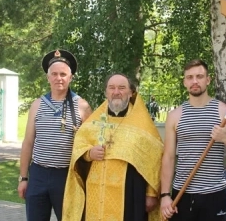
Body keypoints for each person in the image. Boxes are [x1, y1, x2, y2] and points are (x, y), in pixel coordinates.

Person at [62, 73, 163, 221]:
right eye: (112, 88)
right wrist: (89, 153)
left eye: (122, 88)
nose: (116, 92)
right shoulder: (94, 121)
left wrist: (151, 193)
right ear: (106, 92)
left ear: (131, 92)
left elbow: (154, 158)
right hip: (95, 191)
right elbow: (79, 147)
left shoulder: (142, 124)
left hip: (129, 194)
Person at [160, 59, 226, 221]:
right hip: (182, 193)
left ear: (208, 80)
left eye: (199, 76)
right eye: (190, 77)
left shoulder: (225, 112)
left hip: (214, 194)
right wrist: (165, 195)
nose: (195, 81)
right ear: (184, 82)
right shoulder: (175, 116)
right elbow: (168, 157)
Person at [17, 49, 92, 221]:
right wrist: (23, 178)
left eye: (63, 74)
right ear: (48, 77)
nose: (59, 78)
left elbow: (89, 146)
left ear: (70, 77)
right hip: (38, 175)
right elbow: (28, 143)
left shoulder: (82, 106)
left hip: (66, 177)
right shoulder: (37, 105)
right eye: (55, 74)